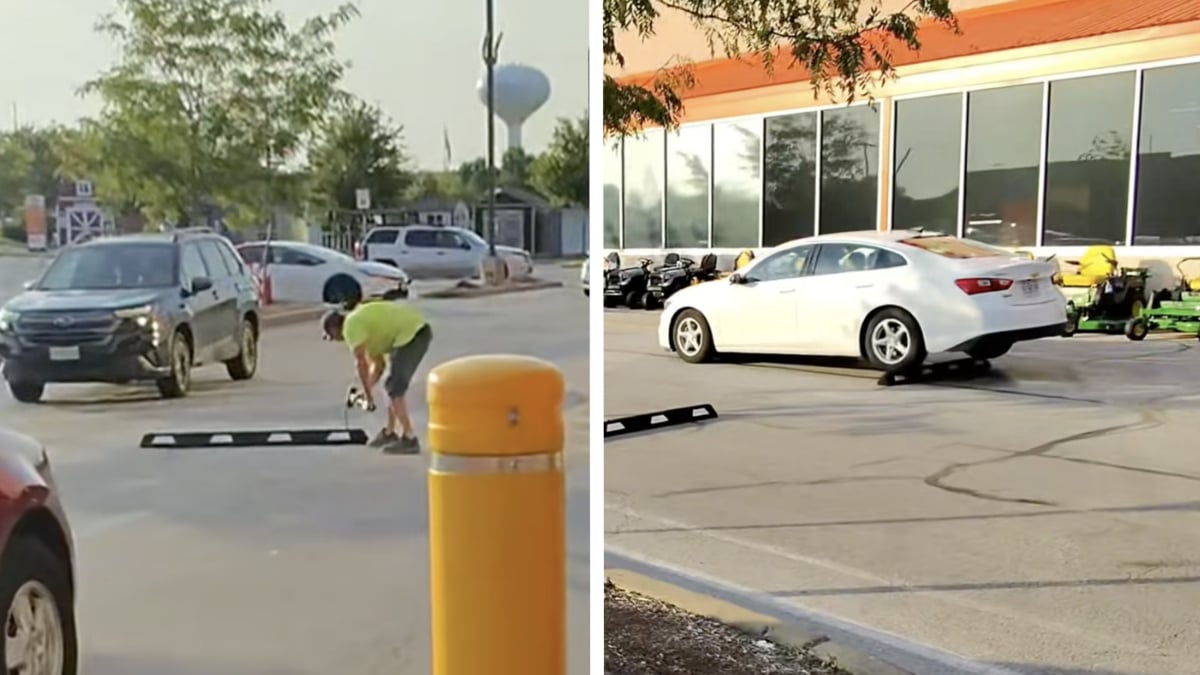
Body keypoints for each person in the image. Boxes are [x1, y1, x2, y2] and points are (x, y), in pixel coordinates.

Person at [322, 299, 432, 454]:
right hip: (412, 332)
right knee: (390, 386)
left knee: (394, 388)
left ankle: (410, 438)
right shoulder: (365, 332)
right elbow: (378, 367)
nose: (335, 340)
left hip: (413, 334)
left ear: (334, 329)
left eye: (331, 336)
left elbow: (361, 365)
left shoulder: (350, 326)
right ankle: (389, 433)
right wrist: (365, 391)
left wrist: (368, 396)